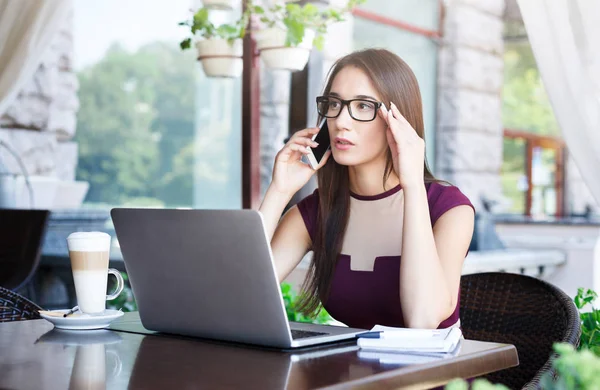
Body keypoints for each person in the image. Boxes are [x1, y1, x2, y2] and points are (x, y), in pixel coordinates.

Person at [258, 48, 475, 330]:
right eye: (334, 104)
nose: (340, 122)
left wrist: (412, 185)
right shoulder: (316, 211)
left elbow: (423, 319)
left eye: (363, 106)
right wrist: (279, 191)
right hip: (351, 372)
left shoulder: (449, 209)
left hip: (431, 374)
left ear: (397, 120)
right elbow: (240, 297)